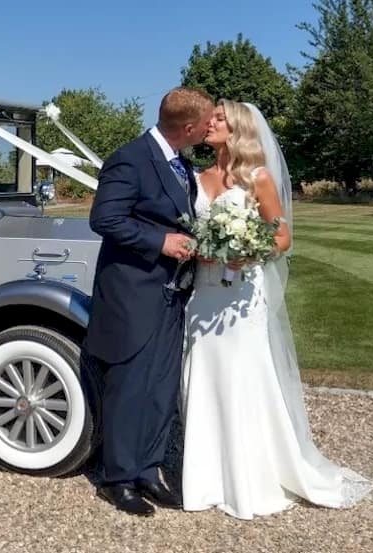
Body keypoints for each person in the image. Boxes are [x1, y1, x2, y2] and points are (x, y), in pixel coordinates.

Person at [180, 99, 373, 520]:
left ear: (238, 129)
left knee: (242, 379)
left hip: (242, 298)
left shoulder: (258, 179)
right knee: (204, 376)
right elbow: (188, 233)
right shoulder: (195, 178)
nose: (208, 123)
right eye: (209, 118)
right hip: (204, 293)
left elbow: (282, 238)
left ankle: (250, 480)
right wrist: (201, 250)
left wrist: (247, 253)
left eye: (218, 119)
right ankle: (205, 478)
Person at [83, 87, 213, 516]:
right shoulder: (130, 158)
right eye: (206, 122)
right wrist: (160, 241)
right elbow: (104, 218)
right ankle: (117, 479)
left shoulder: (183, 163)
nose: (210, 127)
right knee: (129, 387)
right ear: (189, 127)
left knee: (160, 385)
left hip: (173, 292)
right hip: (132, 294)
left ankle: (149, 470)